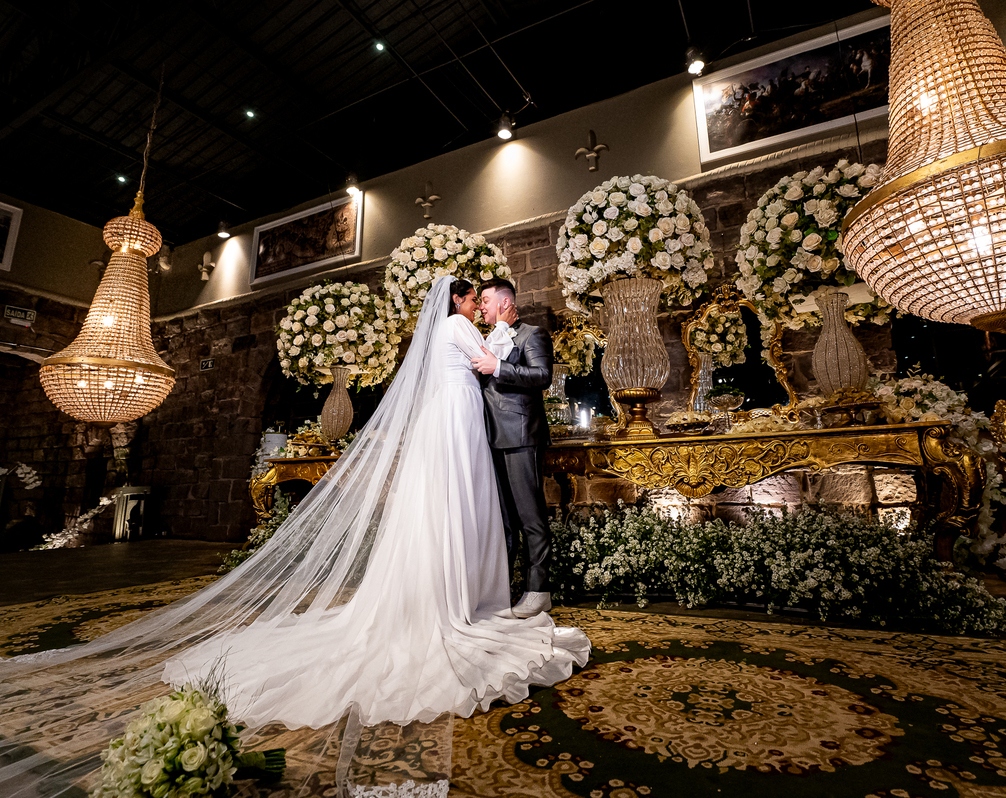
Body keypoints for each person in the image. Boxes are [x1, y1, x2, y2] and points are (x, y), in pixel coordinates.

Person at [0, 275, 590, 796]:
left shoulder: (455, 333)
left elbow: (509, 364)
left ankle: (473, 587)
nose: (481, 307)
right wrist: (497, 345)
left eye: (489, 302)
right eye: (475, 299)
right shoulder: (459, 328)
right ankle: (469, 594)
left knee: (480, 510)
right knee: (470, 508)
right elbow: (490, 357)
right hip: (462, 425)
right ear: (460, 301)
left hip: (476, 427)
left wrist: (503, 346)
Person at [470, 278, 555, 618]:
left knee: (530, 517)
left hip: (521, 435)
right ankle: (499, 592)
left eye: (486, 300)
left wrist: (499, 367)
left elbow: (542, 376)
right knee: (503, 521)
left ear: (505, 303)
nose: (482, 307)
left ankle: (539, 590)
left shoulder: (531, 334)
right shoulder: (487, 338)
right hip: (491, 438)